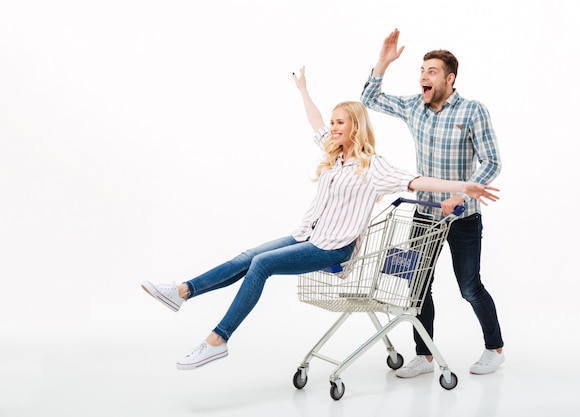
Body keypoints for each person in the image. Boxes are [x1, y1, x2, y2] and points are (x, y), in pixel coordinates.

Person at [141, 66, 499, 371]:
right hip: (306, 237)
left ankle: (218, 339)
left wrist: (464, 186)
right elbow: (314, 122)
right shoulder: (334, 154)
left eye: (340, 122)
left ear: (355, 127)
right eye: (332, 122)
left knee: (262, 265)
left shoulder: (372, 166)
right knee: (246, 257)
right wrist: (303, 90)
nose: (332, 127)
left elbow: (416, 181)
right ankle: (183, 291)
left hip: (333, 248)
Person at [361, 29, 505, 377]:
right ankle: (424, 355)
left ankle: (494, 349)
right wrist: (383, 62)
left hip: (463, 218)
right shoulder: (414, 106)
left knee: (470, 286)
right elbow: (369, 98)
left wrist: (460, 195)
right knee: (417, 283)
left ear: (449, 78)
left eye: (432, 71)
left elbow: (492, 162)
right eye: (422, 70)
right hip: (425, 214)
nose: (424, 76)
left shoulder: (472, 111)